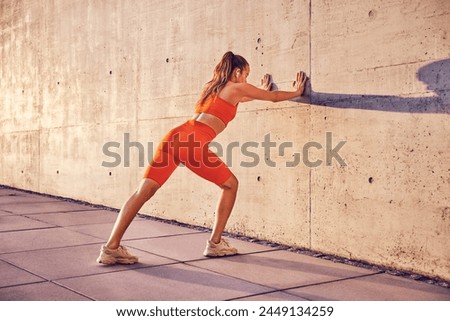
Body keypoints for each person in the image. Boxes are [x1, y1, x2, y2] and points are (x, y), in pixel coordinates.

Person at [97, 51, 307, 264]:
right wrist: (297, 91)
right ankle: (215, 243)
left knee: (142, 192)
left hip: (174, 137)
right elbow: (272, 97)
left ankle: (111, 247)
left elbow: (246, 97)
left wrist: (259, 91)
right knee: (231, 185)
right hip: (192, 142)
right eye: (246, 74)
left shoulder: (214, 89)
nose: (246, 80)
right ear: (236, 72)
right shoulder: (237, 86)